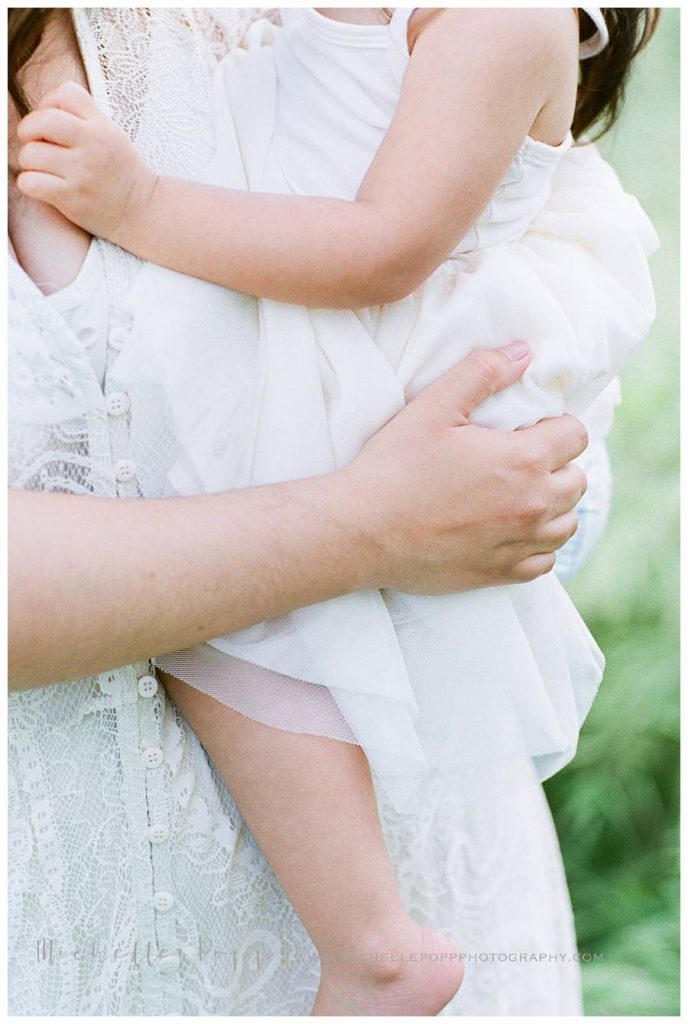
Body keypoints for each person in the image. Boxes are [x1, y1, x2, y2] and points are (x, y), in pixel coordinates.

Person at [15, 6, 658, 1015]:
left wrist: (136, 204)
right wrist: (365, 522)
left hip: (434, 843)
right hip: (70, 933)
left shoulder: (484, 24)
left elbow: (397, 251)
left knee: (239, 608)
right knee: (228, 595)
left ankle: (370, 943)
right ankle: (370, 941)